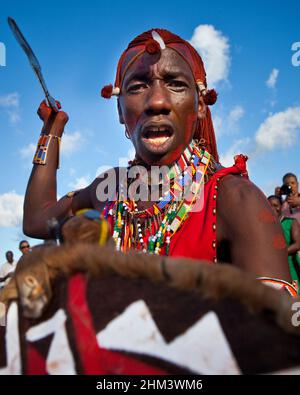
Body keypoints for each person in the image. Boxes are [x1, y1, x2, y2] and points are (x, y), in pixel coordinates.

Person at [23, 28, 292, 288]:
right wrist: (51, 130)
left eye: (176, 84)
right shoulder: (109, 190)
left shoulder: (236, 199)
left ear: (200, 105)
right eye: (138, 87)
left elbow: (274, 327)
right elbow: (37, 221)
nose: (157, 102)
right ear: (119, 109)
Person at [268, 195, 300, 293]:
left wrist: (278, 253)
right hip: (273, 269)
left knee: (294, 298)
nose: (273, 208)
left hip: (291, 268)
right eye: (269, 205)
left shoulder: (291, 222)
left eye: (276, 205)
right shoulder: (264, 225)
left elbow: (298, 244)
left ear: (281, 207)